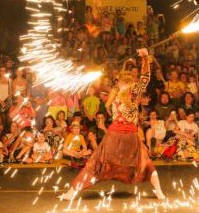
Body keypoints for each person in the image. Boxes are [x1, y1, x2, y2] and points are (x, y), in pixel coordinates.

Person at [61, 49, 166, 200]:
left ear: (120, 82)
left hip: (117, 136)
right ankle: (159, 192)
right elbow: (145, 77)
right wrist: (144, 57)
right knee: (145, 164)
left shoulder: (121, 93)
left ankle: (71, 193)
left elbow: (139, 78)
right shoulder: (129, 92)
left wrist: (138, 60)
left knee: (96, 164)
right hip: (127, 136)